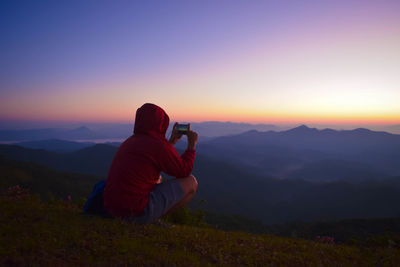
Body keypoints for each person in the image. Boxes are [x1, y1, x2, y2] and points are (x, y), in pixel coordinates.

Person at [103, 103, 198, 224]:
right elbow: (184, 171)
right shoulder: (157, 145)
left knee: (158, 178)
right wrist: (191, 146)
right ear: (161, 124)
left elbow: (158, 156)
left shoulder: (130, 141)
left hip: (110, 209)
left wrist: (171, 142)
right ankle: (151, 220)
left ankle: (149, 216)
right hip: (133, 213)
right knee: (191, 182)